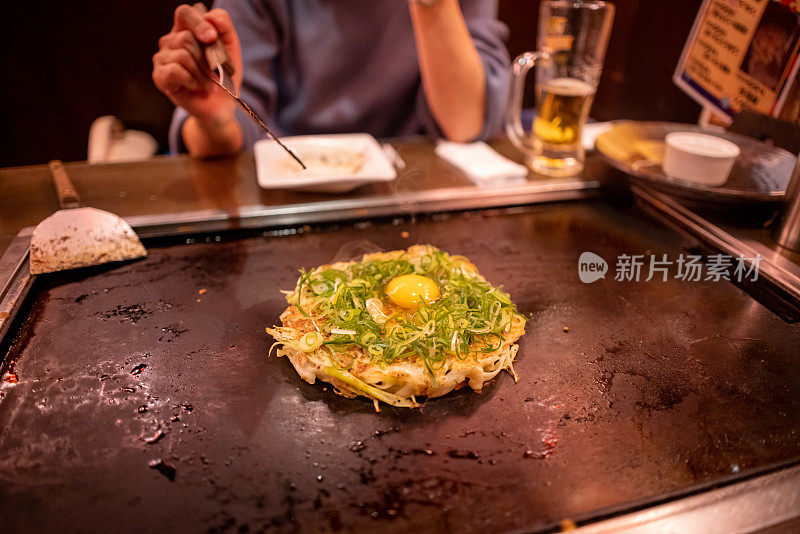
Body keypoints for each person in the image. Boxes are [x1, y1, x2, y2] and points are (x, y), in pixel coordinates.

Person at [152, 0, 511, 158]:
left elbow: (465, 125)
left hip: (413, 193)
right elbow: (227, 133)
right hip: (287, 190)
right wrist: (215, 120)